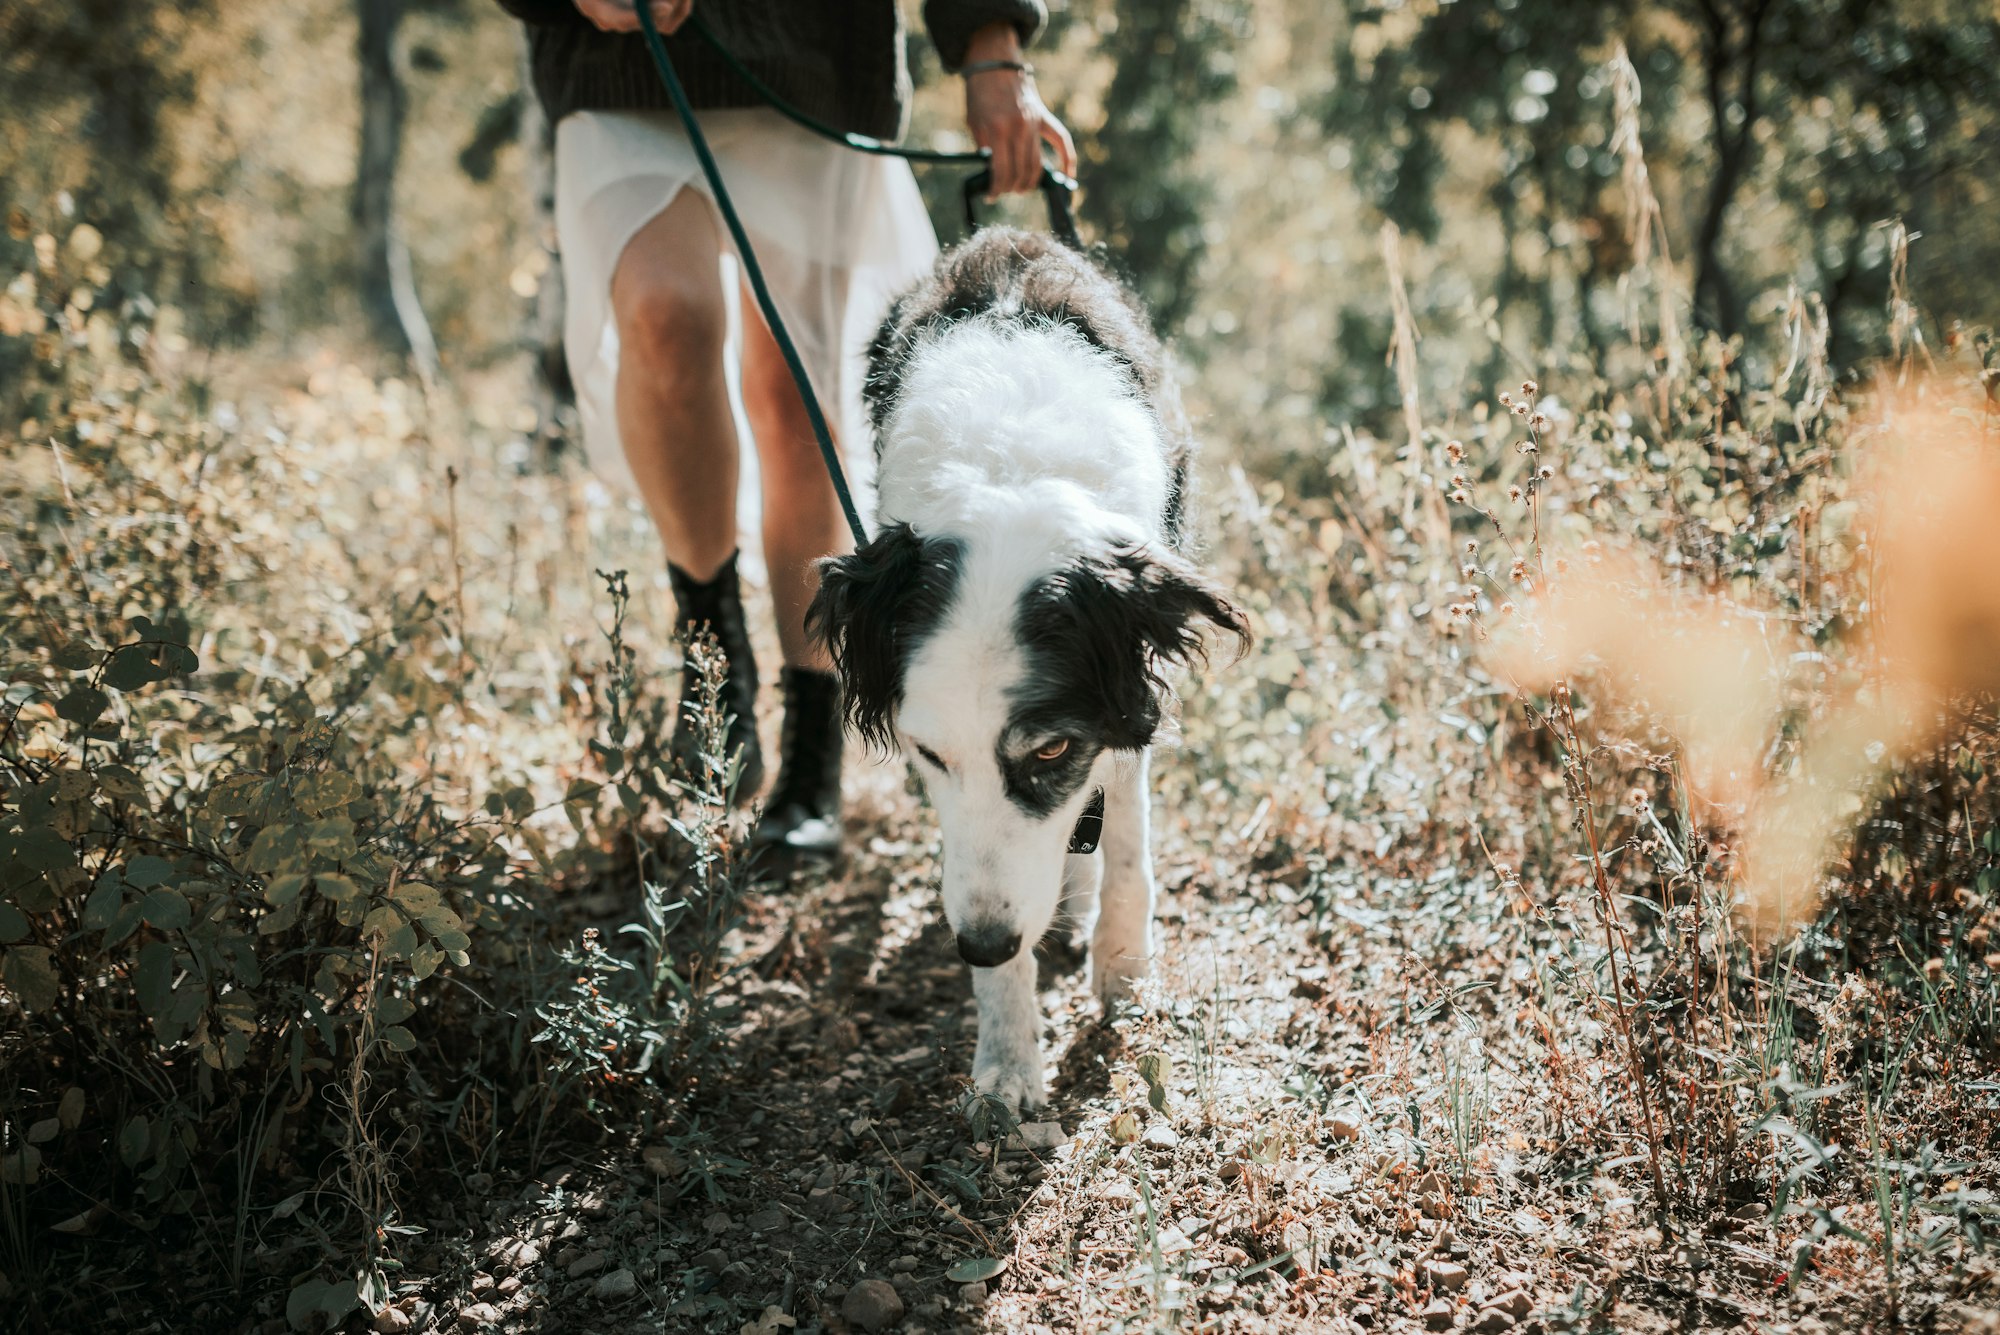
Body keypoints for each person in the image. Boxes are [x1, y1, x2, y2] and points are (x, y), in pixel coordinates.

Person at [493, 0, 1076, 870]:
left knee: (796, 392)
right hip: (621, 64)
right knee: (663, 315)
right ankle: (711, 650)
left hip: (811, 54)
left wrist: (991, 50)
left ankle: (813, 735)